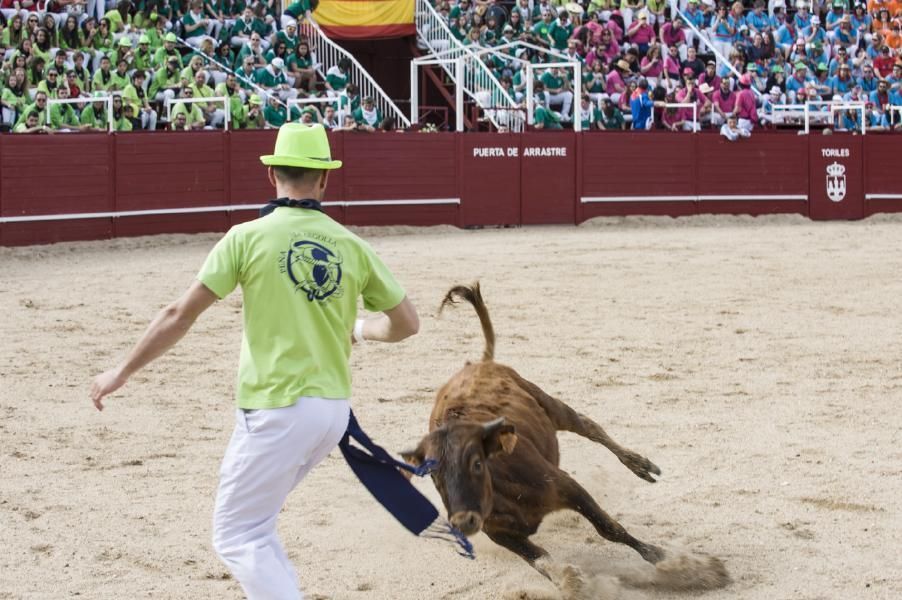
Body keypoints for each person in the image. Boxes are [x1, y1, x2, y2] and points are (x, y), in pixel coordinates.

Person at [90, 122, 420, 600]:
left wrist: (120, 370)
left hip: (275, 408)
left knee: (236, 534)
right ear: (325, 180)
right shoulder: (351, 245)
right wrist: (362, 329)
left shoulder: (246, 238)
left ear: (272, 177)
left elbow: (179, 315)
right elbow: (407, 323)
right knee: (255, 529)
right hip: (332, 413)